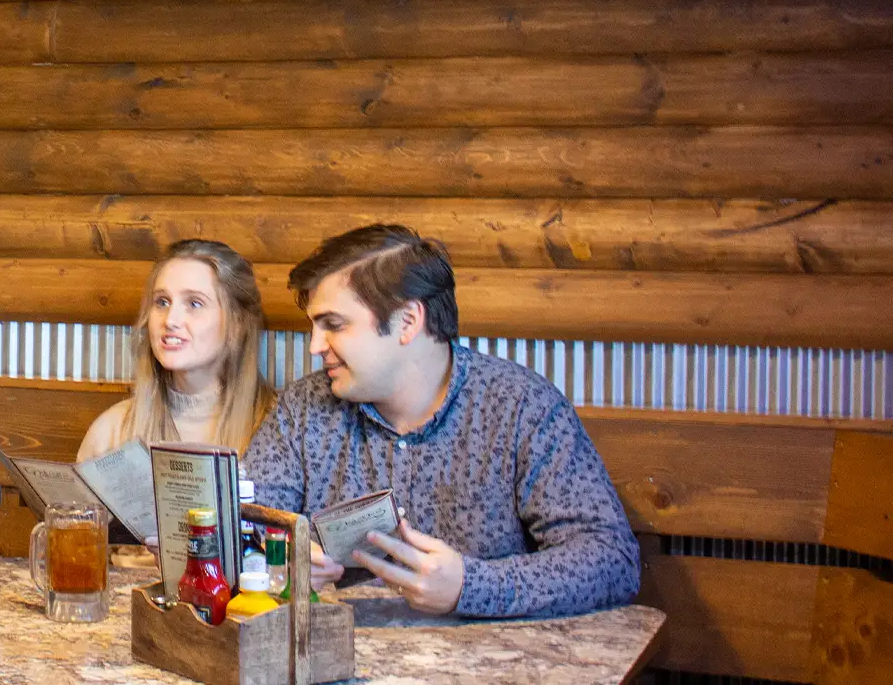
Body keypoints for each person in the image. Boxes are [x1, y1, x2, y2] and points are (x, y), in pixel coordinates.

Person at [243, 225, 639, 618]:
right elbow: (246, 526)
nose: (314, 346)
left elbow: (610, 559)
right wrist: (283, 563)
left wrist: (470, 586)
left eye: (334, 324)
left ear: (408, 321)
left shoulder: (521, 407)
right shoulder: (302, 408)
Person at [77, 240, 276, 462]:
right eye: (162, 302)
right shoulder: (111, 434)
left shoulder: (281, 430)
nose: (171, 320)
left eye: (195, 304)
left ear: (237, 323)